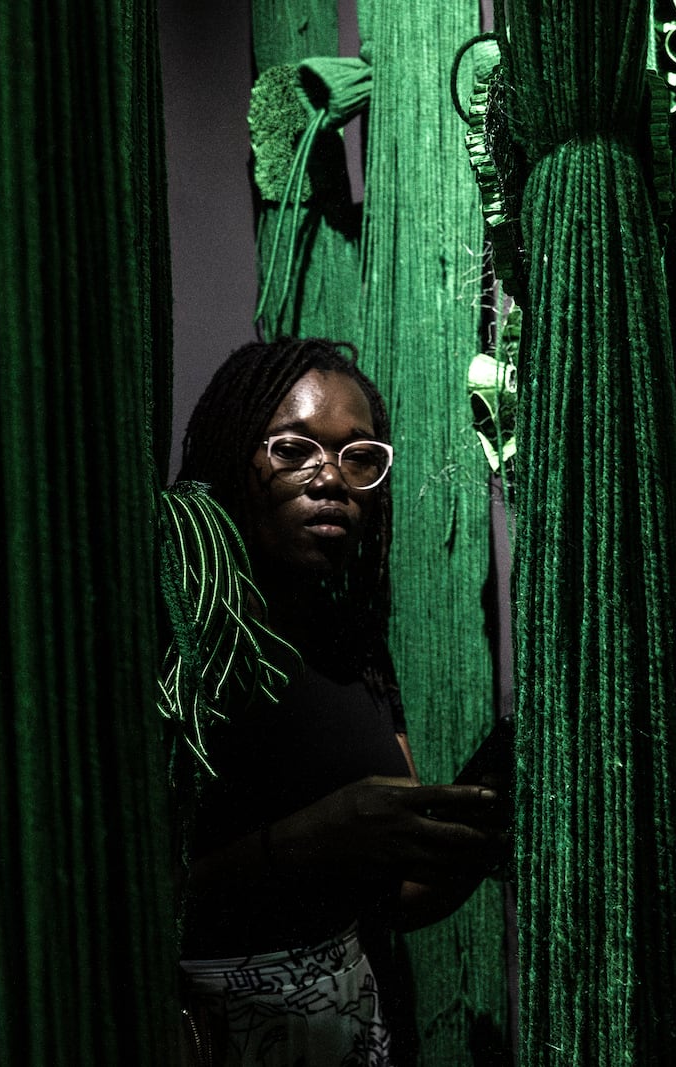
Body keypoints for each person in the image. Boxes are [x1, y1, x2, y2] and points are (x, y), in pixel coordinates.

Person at [169, 337, 506, 1067]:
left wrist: (487, 812)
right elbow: (132, 895)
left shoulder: (356, 647)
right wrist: (316, 835)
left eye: (359, 458)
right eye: (293, 449)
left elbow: (400, 896)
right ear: (234, 455)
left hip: (351, 1029)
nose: (331, 478)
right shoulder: (181, 633)